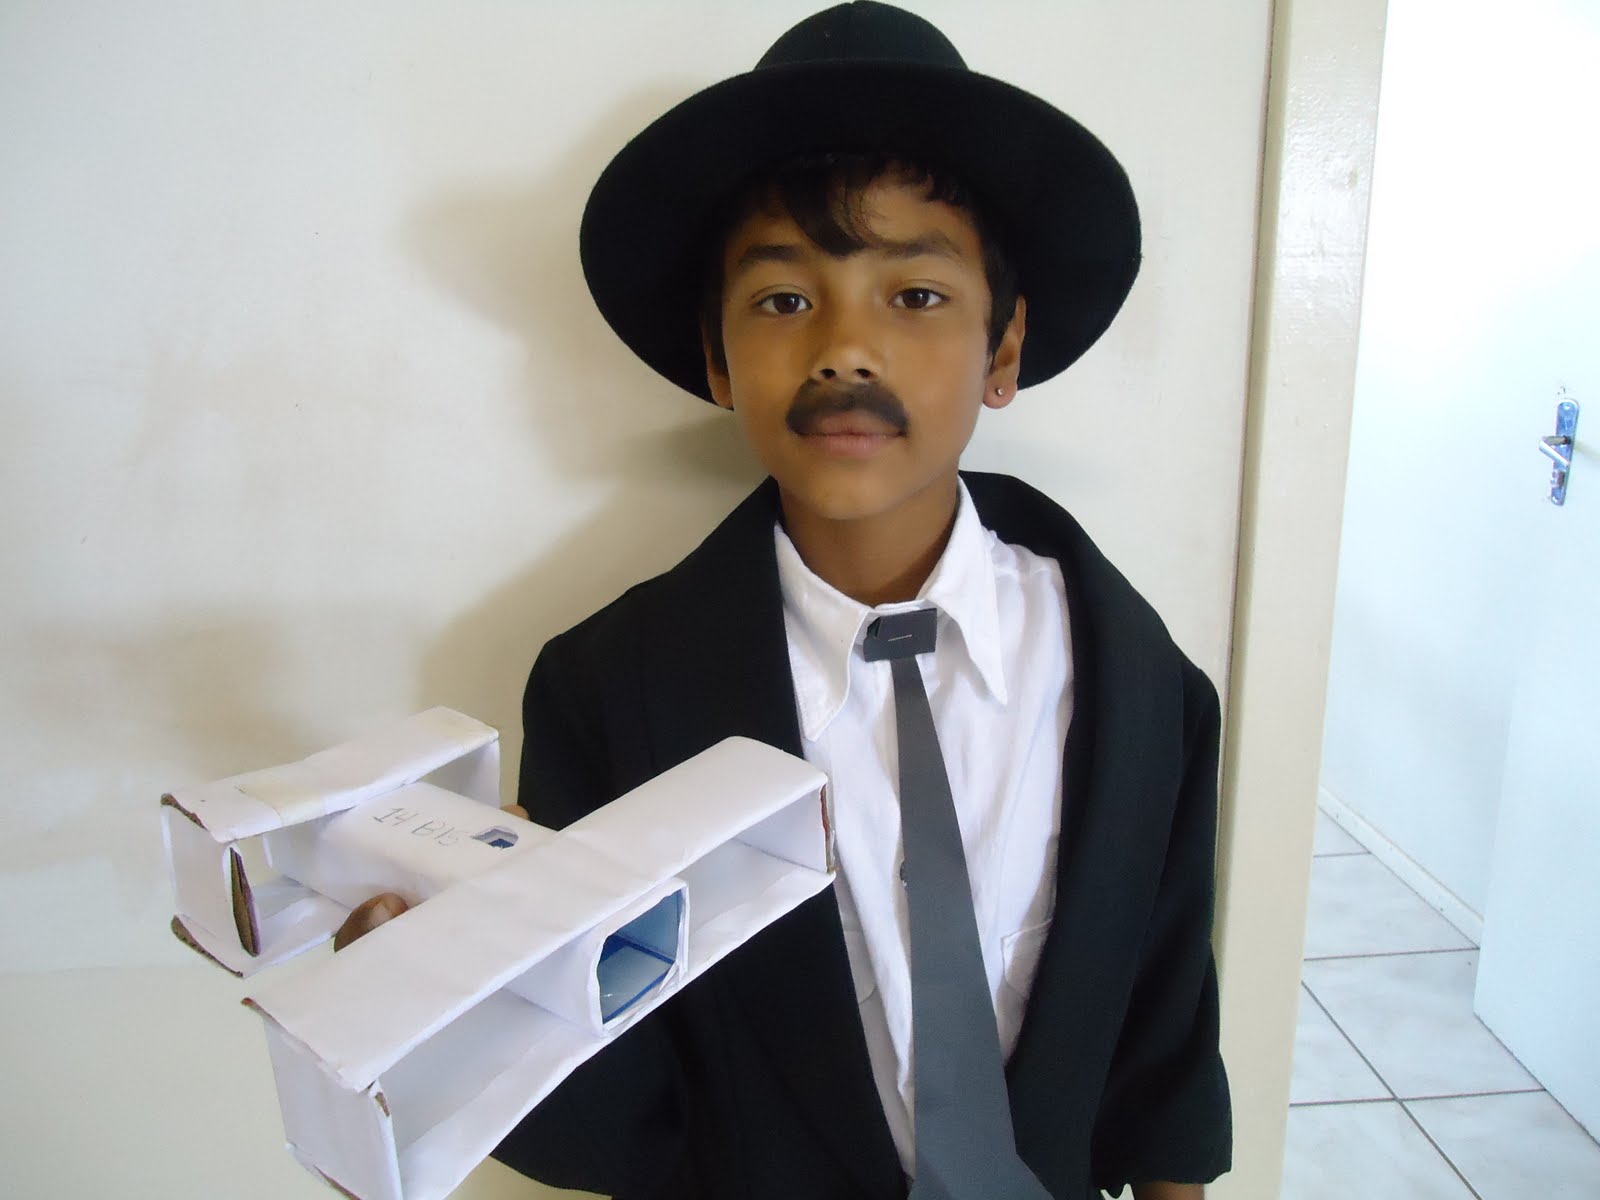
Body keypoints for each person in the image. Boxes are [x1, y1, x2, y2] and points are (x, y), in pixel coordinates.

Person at [341, 4, 1231, 1198]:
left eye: (916, 296)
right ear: (715, 357)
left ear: (1005, 347)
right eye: (781, 300)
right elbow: (616, 1113)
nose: (843, 351)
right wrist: (459, 1004)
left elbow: (1165, 1039)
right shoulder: (610, 695)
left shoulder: (1137, 683)